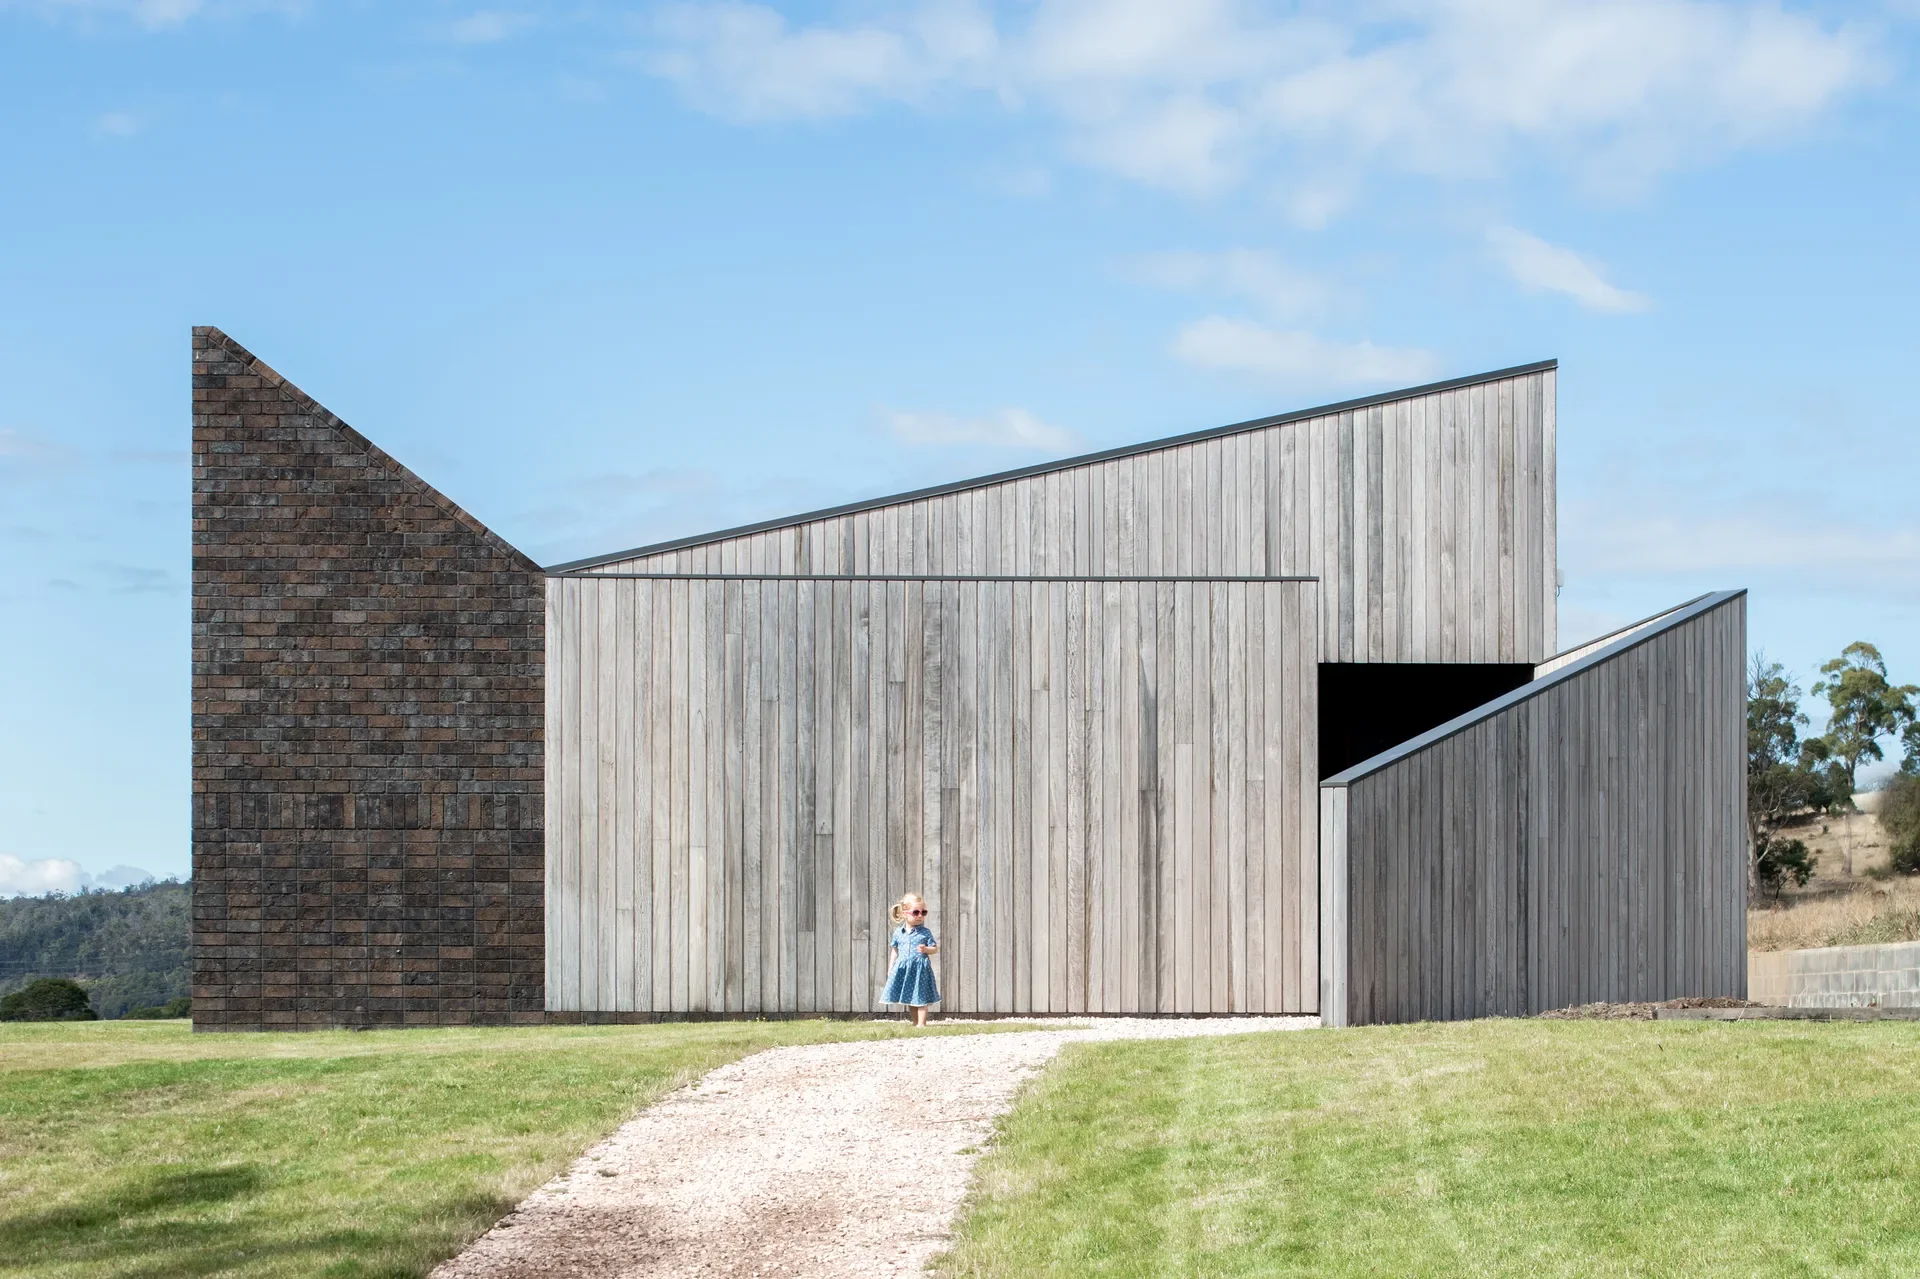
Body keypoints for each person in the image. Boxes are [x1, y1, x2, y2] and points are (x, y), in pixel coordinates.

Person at [882, 893, 940, 1026]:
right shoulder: (898, 932)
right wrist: (891, 967)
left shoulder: (925, 932)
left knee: (921, 996)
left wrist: (926, 949)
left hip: (920, 969)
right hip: (905, 969)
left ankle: (922, 1024)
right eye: (916, 912)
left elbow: (935, 948)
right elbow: (895, 950)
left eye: (923, 912)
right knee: (910, 997)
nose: (920, 916)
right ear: (904, 913)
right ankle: (915, 1022)